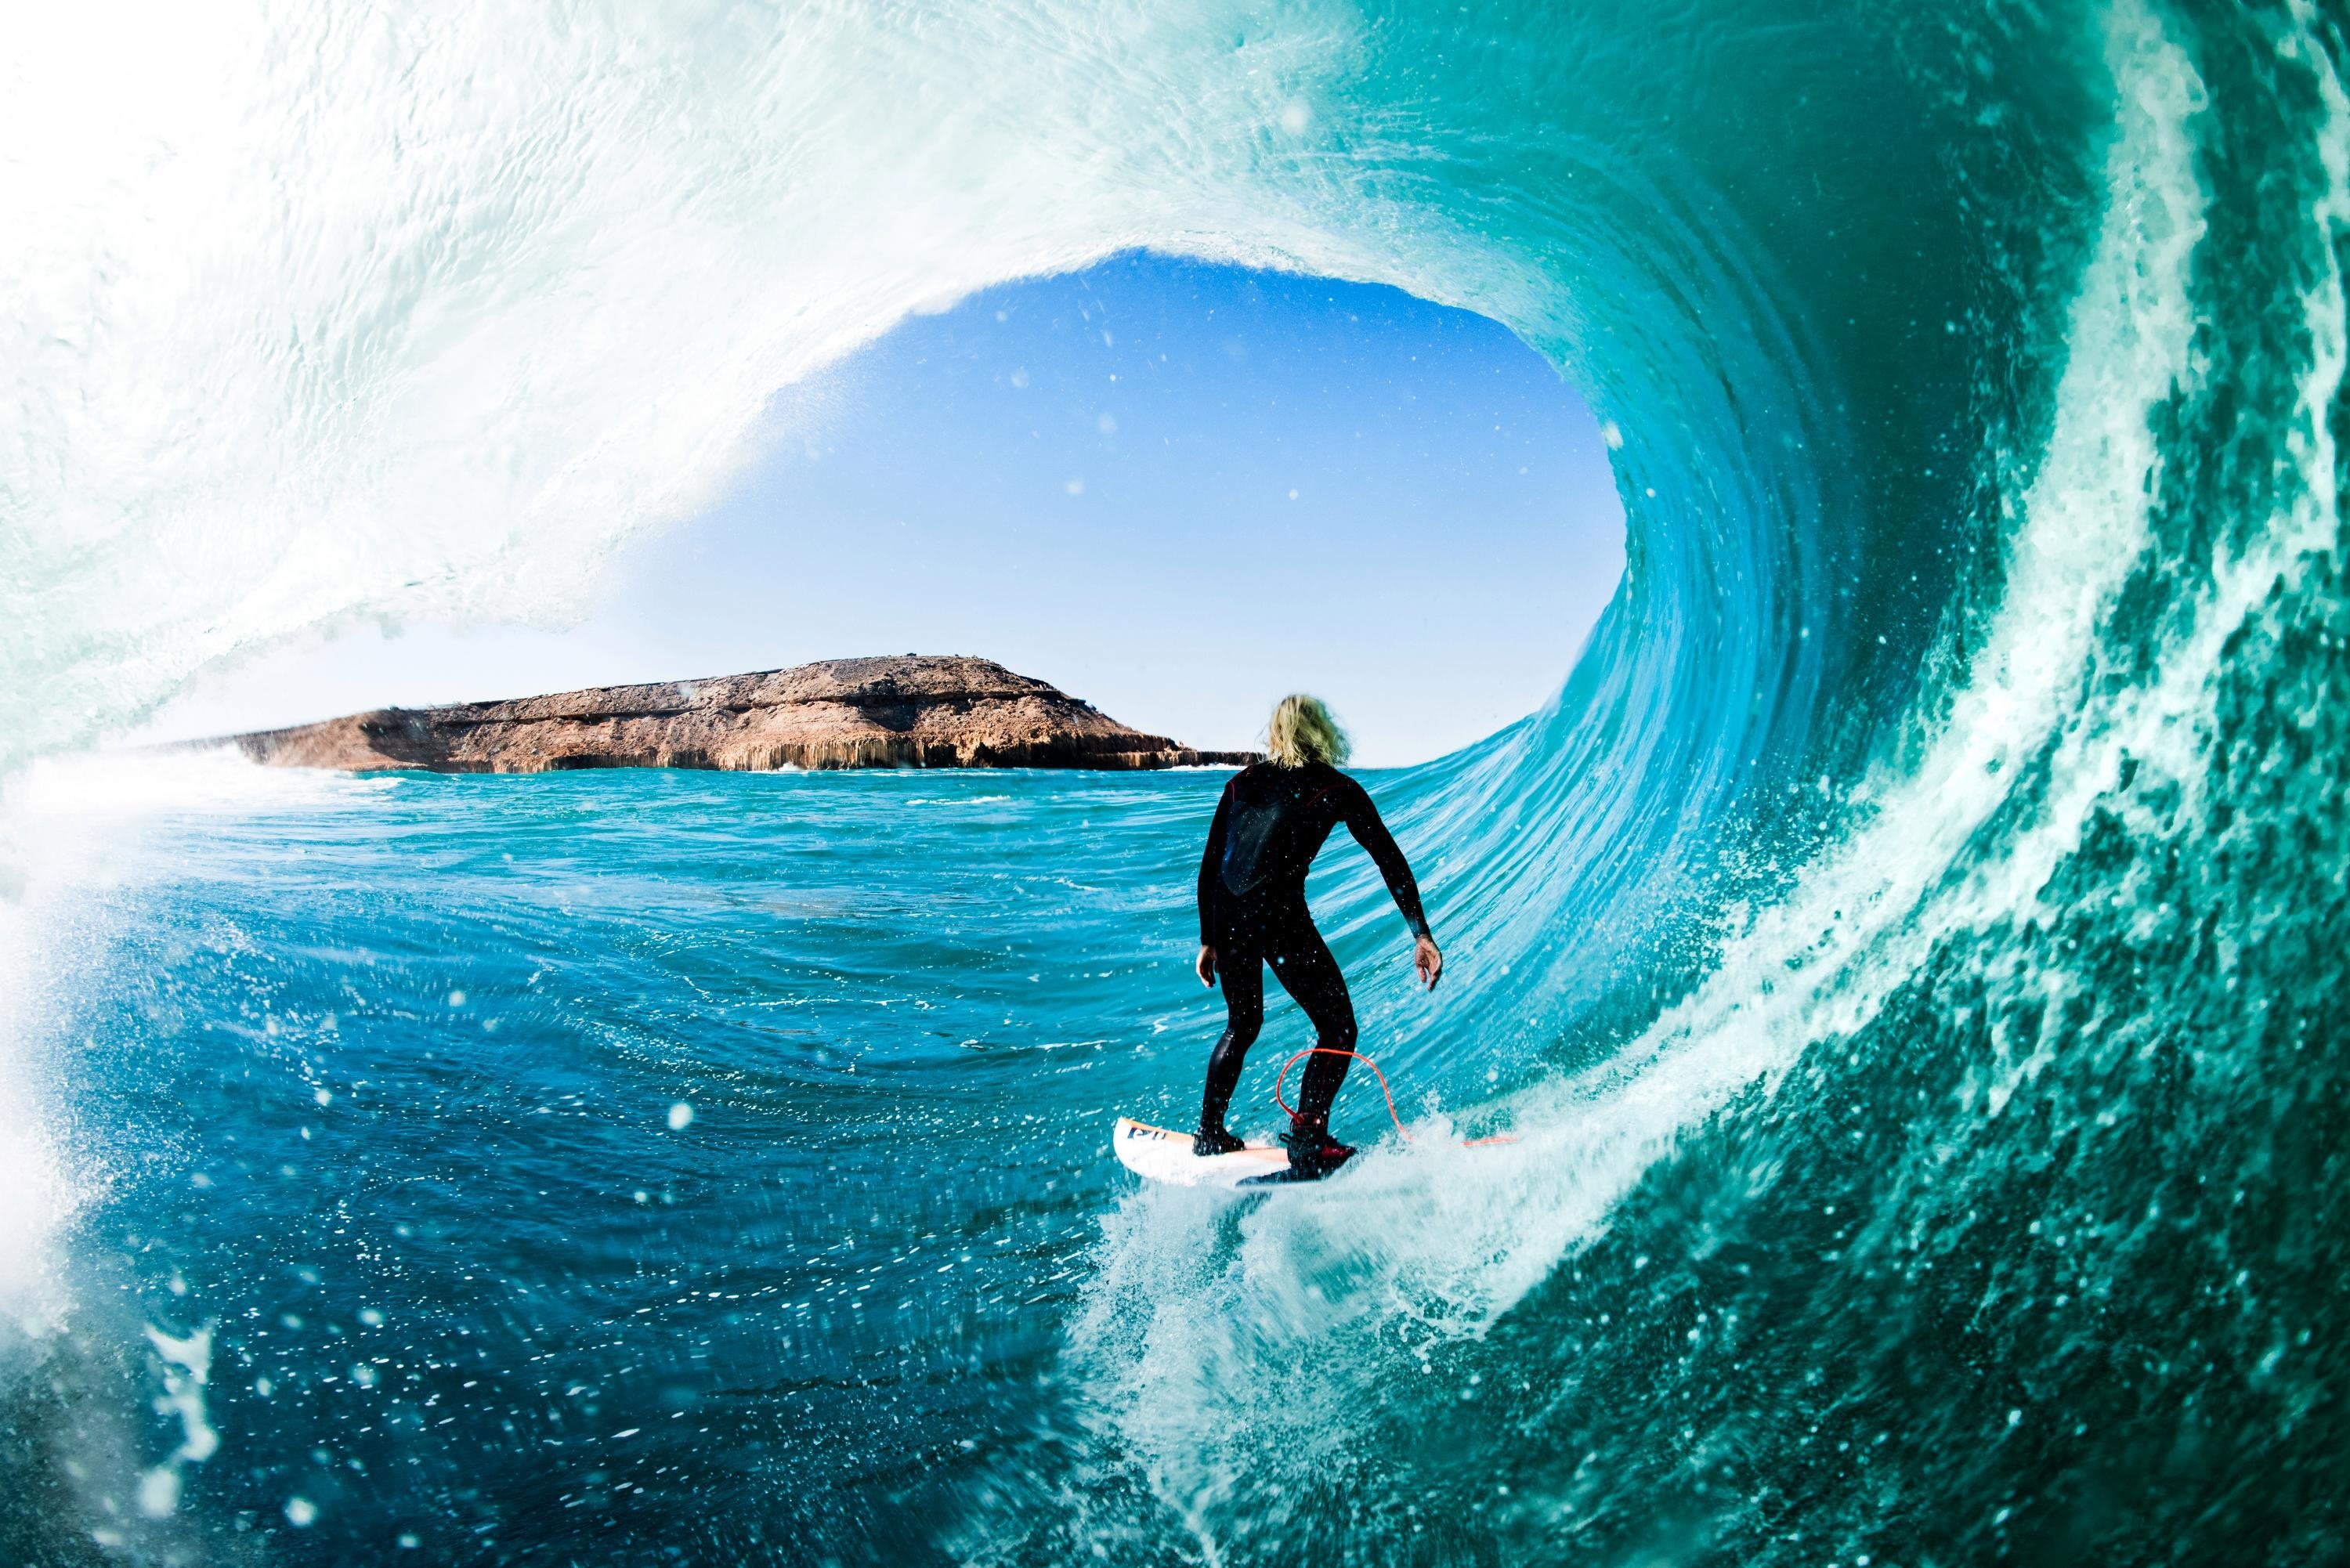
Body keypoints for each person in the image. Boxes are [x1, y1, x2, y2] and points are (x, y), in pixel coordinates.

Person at [1192, 694, 1442, 1176]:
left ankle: (1209, 1133)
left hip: (1231, 915)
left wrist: (1209, 937)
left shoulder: (1241, 783)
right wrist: (1421, 933)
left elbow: (1210, 865)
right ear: (1324, 731)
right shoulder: (1335, 787)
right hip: (1278, 915)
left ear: (1277, 731)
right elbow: (1388, 858)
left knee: (1241, 1025)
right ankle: (1307, 1142)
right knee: (1339, 1026)